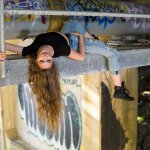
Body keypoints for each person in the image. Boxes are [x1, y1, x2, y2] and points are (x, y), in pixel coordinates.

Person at [0, 20, 134, 130]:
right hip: (76, 43)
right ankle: (119, 89)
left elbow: (4, 45)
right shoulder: (62, 50)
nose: (46, 56)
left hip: (67, 31)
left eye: (43, 60)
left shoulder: (30, 51)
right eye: (49, 60)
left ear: (36, 60)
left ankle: (92, 37)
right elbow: (81, 57)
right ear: (53, 60)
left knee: (73, 21)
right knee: (113, 54)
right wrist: (81, 38)